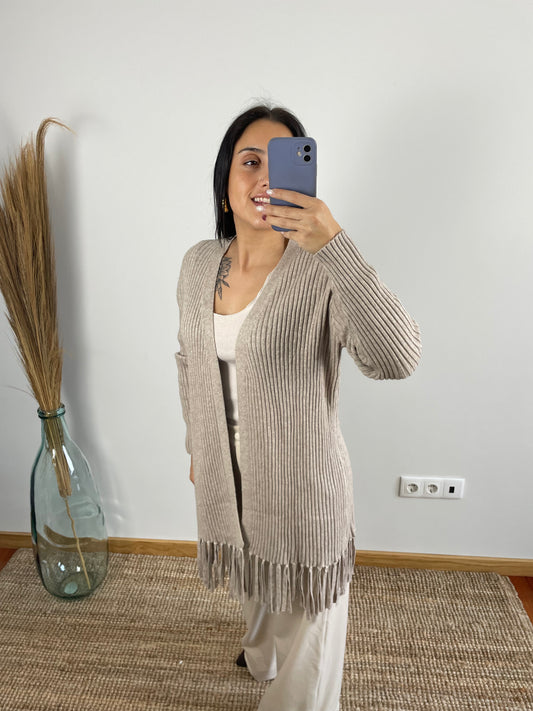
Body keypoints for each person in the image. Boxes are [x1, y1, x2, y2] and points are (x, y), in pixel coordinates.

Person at [175, 103, 422, 711]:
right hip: (227, 472)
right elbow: (188, 362)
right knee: (256, 578)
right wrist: (198, 447)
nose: (264, 177)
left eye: (280, 162)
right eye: (249, 161)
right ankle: (261, 654)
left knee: (309, 612)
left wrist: (334, 243)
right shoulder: (199, 263)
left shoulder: (321, 269)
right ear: (225, 181)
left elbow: (397, 357)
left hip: (302, 482)